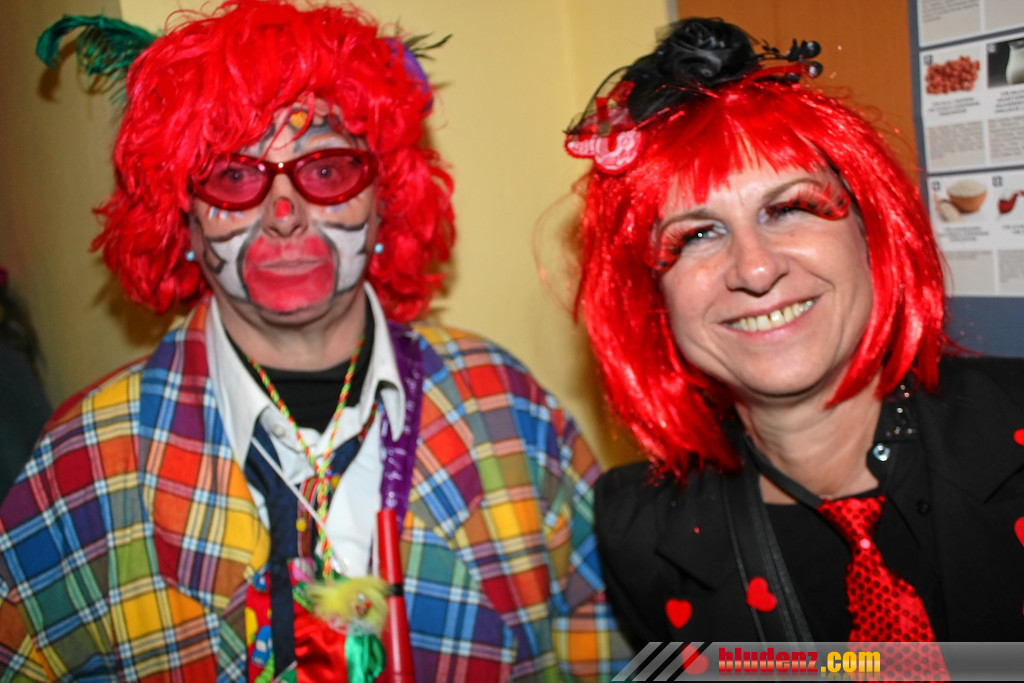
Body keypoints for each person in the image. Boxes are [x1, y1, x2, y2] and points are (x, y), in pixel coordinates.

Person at [0, 1, 628, 680]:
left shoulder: (508, 412)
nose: (284, 214)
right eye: (234, 175)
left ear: (385, 198)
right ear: (181, 219)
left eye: (327, 170)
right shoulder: (88, 464)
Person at [565, 15, 1024, 665]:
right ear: (653, 296)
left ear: (872, 233)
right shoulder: (639, 531)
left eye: (789, 207)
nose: (755, 269)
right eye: (696, 235)